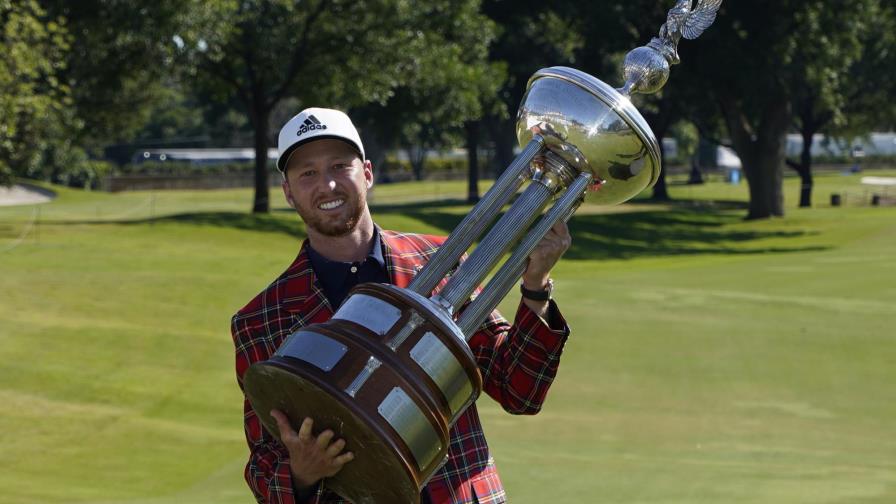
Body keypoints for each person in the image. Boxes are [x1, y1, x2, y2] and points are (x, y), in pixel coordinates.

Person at [231, 107, 572, 504]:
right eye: (307, 173)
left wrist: (535, 287)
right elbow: (265, 467)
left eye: (340, 165)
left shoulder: (438, 259)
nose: (326, 184)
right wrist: (301, 474)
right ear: (288, 191)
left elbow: (520, 390)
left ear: (368, 173)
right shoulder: (260, 320)